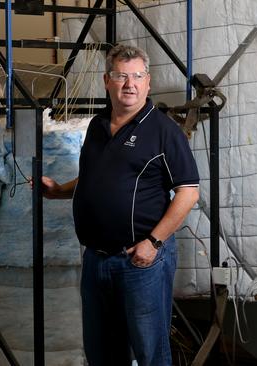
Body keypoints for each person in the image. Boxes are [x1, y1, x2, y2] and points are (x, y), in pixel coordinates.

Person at [39, 44, 199, 365]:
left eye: (137, 76)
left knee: (150, 353)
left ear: (148, 82)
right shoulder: (97, 127)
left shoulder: (164, 132)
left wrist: (153, 243)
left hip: (140, 261)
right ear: (106, 81)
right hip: (97, 260)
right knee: (101, 353)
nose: (130, 84)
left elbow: (188, 192)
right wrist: (58, 190)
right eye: (121, 76)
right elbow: (94, 179)